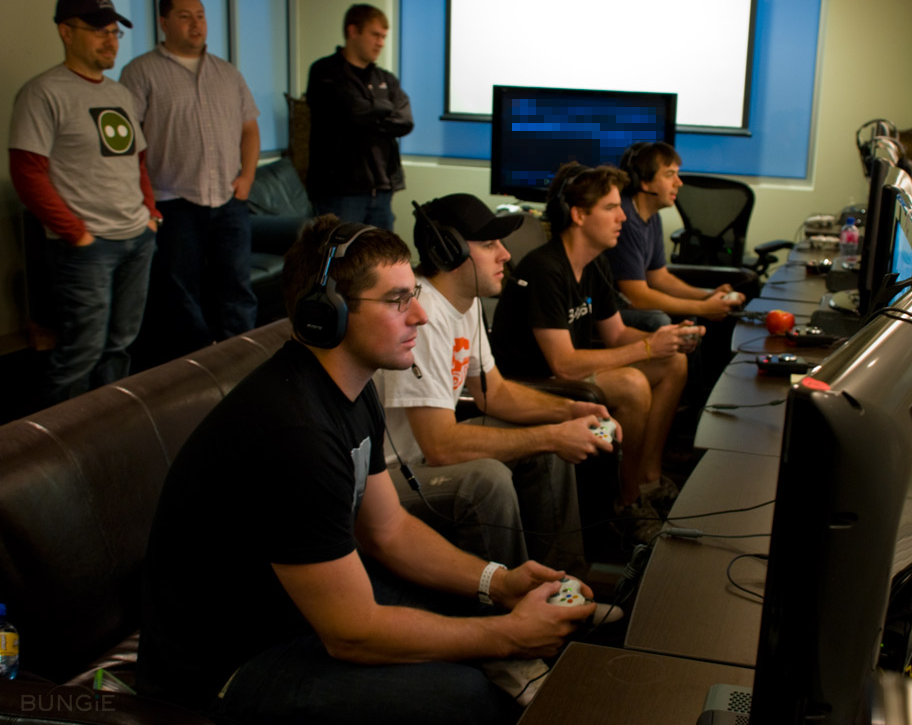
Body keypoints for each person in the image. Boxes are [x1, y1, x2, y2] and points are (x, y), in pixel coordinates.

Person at [138, 214, 596, 725]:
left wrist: (499, 582)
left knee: (482, 611)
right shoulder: (295, 433)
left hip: (297, 616)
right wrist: (508, 636)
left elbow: (389, 530)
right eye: (398, 300)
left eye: (413, 294)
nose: (420, 315)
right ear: (326, 313)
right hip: (227, 666)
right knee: (469, 696)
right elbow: (352, 632)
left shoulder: (353, 390)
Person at [379, 193, 620, 572]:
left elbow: (496, 393)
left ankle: (561, 579)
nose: (506, 255)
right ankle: (512, 597)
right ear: (449, 251)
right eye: (489, 244)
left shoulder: (465, 302)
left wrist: (569, 411)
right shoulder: (422, 316)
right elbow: (439, 446)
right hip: (393, 474)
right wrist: (553, 436)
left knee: (547, 443)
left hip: (425, 455)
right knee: (491, 476)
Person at [491, 164, 702, 541]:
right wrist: (646, 347)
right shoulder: (545, 268)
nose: (623, 216)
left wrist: (665, 340)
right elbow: (564, 364)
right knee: (633, 385)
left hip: (566, 375)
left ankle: (648, 479)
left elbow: (617, 334)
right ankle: (626, 501)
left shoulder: (594, 264)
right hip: (534, 384)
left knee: (673, 363)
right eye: (610, 208)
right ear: (579, 215)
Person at [8, 0, 160, 405]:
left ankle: (110, 423)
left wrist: (150, 215)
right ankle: (58, 437)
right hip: (87, 248)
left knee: (121, 344)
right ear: (66, 32)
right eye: (98, 32)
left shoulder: (119, 93)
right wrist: (76, 233)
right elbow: (27, 172)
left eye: (114, 32)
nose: (110, 41)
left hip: (137, 238)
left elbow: (138, 162)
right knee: (81, 352)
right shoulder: (43, 93)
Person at [121, 0, 260, 358]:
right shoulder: (140, 72)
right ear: (163, 23)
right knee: (181, 291)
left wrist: (247, 176)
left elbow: (249, 129)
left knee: (236, 286)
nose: (196, 23)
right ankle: (197, 364)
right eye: (184, 16)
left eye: (200, 15)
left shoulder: (227, 73)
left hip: (228, 199)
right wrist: (143, 198)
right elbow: (128, 142)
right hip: (173, 201)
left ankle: (242, 359)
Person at [608, 141, 745, 325]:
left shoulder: (651, 216)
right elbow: (637, 297)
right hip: (606, 310)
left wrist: (707, 296)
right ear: (644, 181)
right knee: (661, 320)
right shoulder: (624, 218)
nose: (679, 183)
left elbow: (659, 277)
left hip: (625, 304)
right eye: (669, 175)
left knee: (689, 314)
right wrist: (702, 308)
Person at [306, 3, 413, 231]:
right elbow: (351, 112)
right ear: (353, 31)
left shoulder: (386, 79)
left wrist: (368, 116)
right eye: (375, 35)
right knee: (338, 253)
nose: (381, 43)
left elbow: (405, 121)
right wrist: (384, 109)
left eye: (384, 37)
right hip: (339, 191)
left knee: (382, 254)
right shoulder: (325, 71)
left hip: (381, 189)